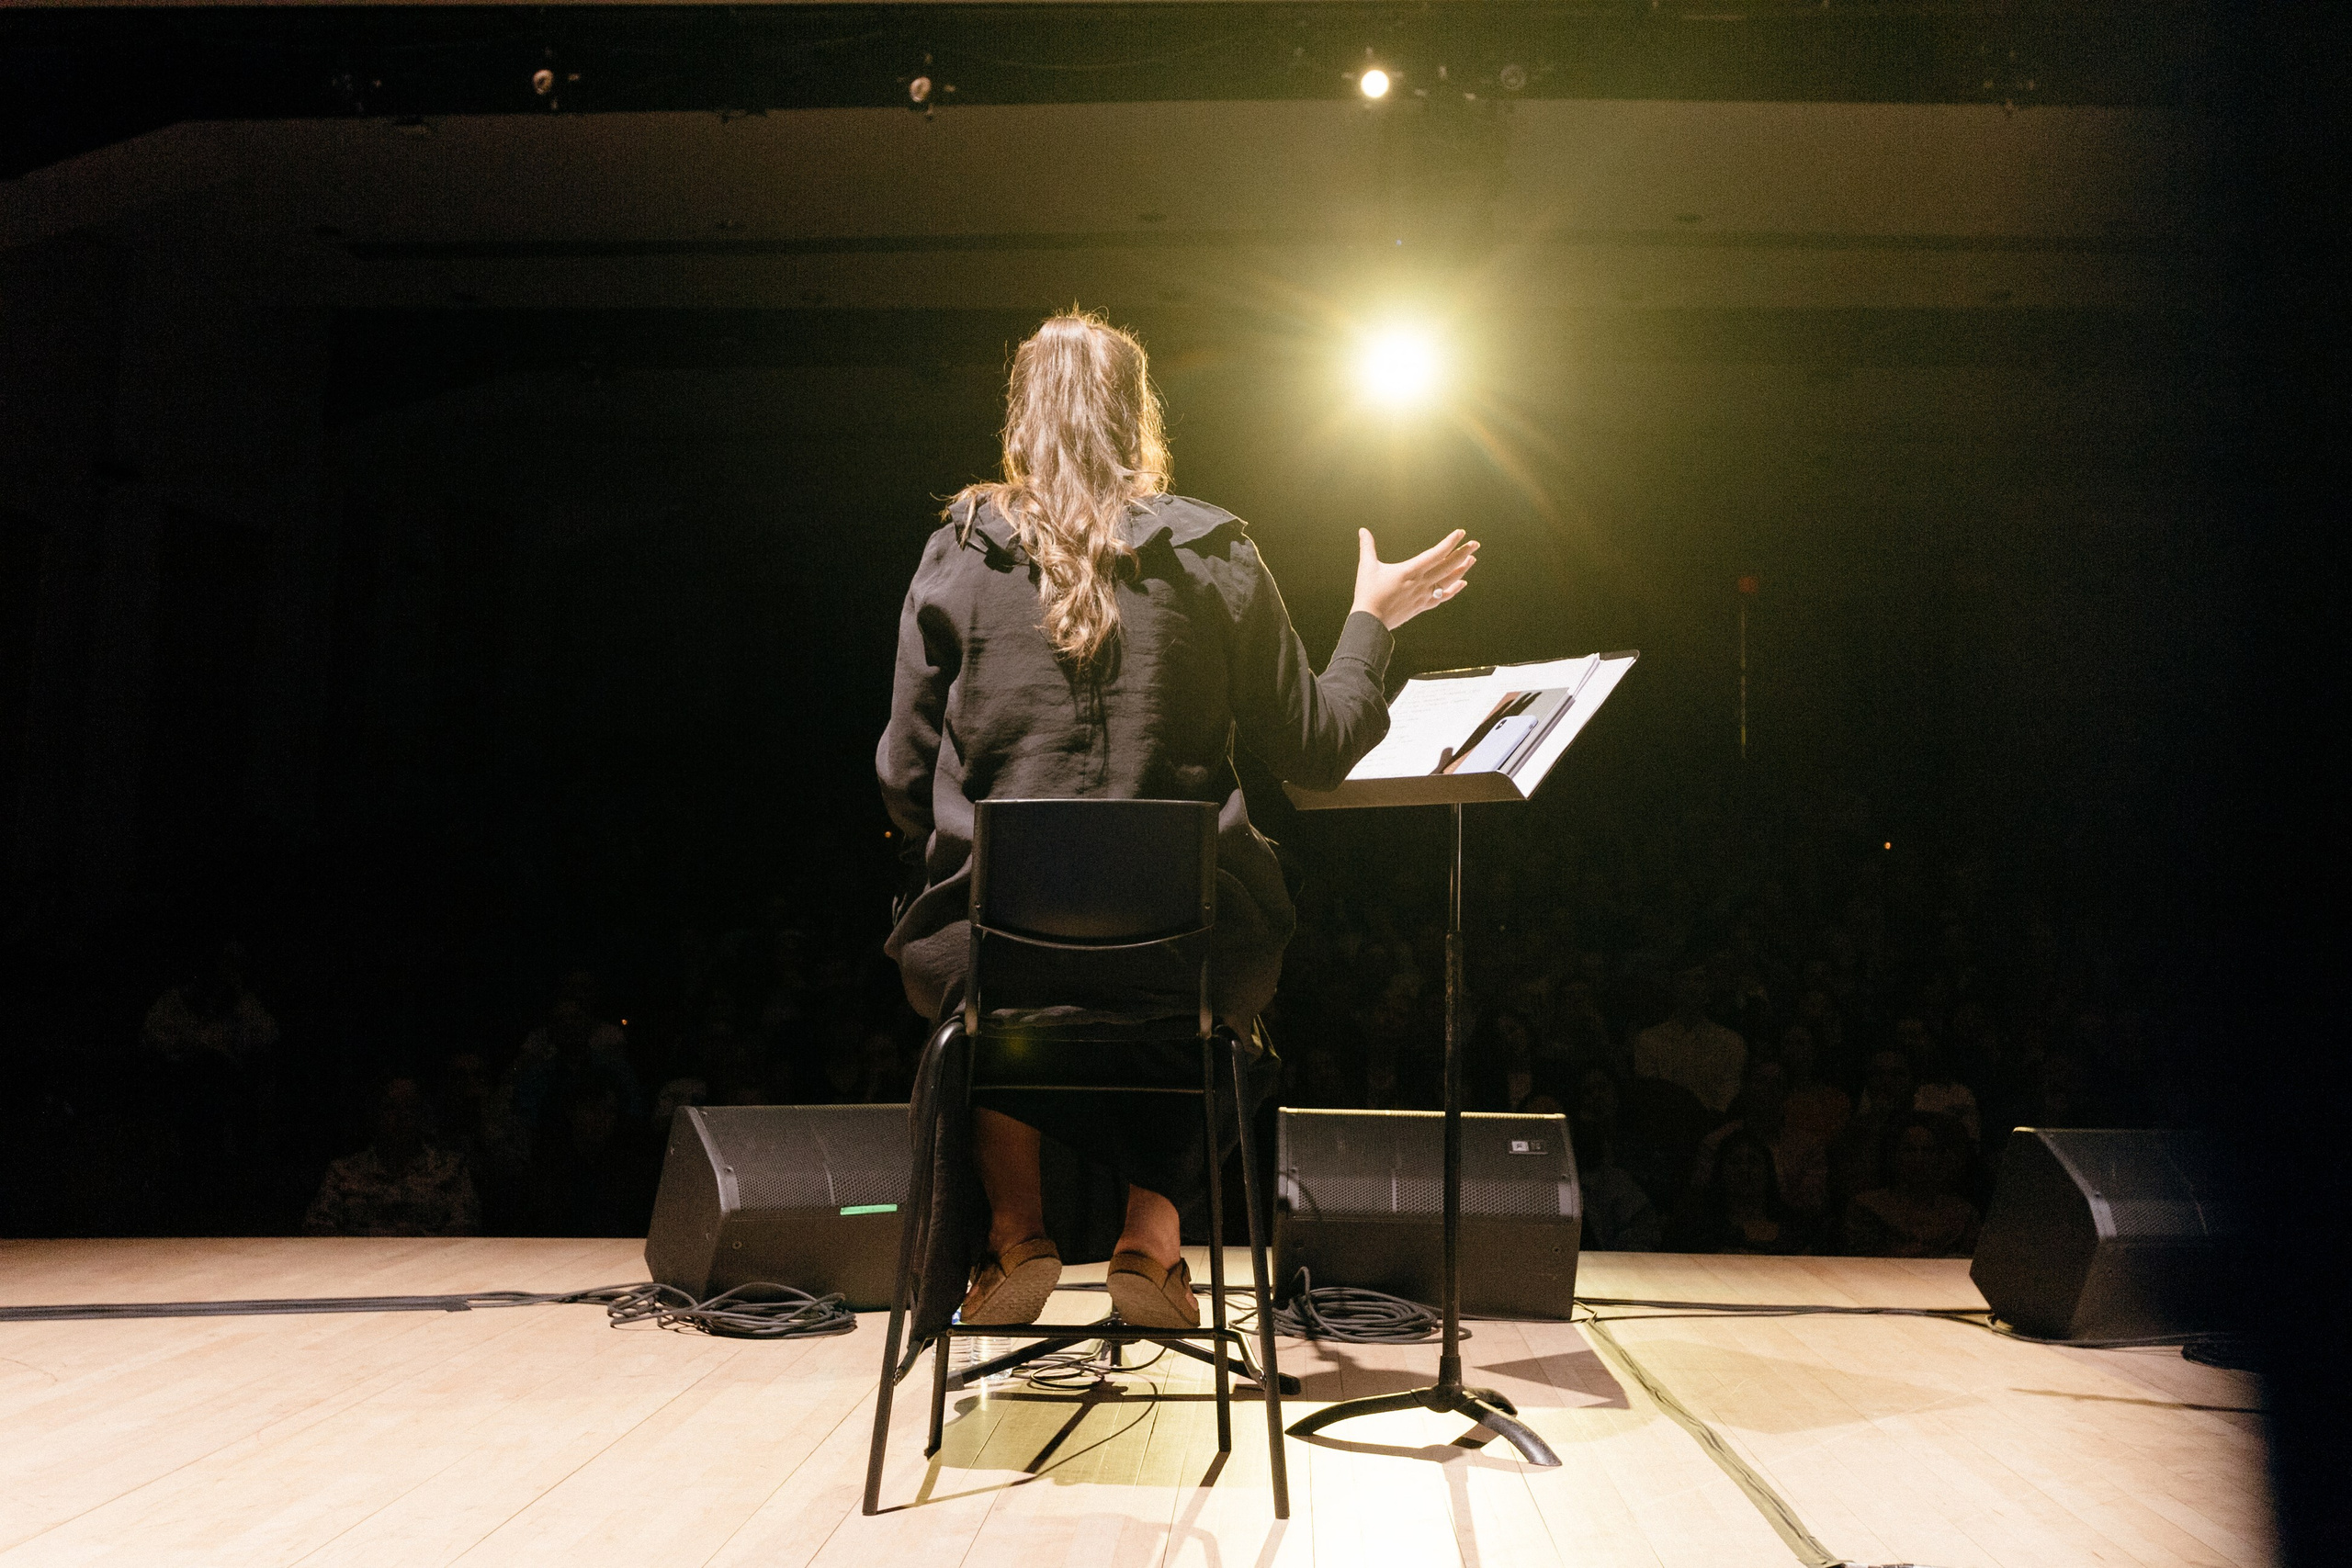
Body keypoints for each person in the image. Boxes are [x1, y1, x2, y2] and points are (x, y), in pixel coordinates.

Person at [876, 310, 1477, 1330]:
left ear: (1021, 418)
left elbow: (900, 770)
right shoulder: (1214, 550)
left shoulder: (957, 555)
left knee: (995, 1000)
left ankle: (1016, 1235)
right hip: (1186, 954)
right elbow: (1319, 746)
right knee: (1215, 997)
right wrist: (1372, 621)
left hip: (990, 954)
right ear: (1138, 418)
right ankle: (1150, 1246)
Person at [303, 1077, 481, 1236]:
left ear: (422, 1115)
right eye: (390, 1107)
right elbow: (318, 1228)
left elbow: (465, 1227)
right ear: (375, 1114)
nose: (400, 1116)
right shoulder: (343, 1172)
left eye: (410, 1107)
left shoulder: (450, 1169)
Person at [1839, 1111, 1981, 1258]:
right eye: (1909, 1150)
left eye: (1927, 1150)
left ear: (1939, 1157)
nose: (1919, 1158)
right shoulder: (1868, 1208)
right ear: (1893, 1156)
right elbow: (1863, 1261)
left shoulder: (1962, 1214)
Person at [1632, 965, 1748, 1116]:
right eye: (1684, 979)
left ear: (1709, 987)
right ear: (1672, 986)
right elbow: (1651, 1096)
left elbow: (1728, 1097)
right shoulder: (1649, 1040)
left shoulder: (1730, 1042)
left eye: (1699, 979)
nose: (1691, 987)